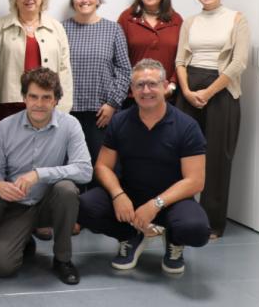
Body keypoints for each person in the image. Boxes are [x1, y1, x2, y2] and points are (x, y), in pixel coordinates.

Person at [78, 59, 210, 274]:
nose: (146, 90)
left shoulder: (187, 126)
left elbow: (195, 181)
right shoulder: (119, 121)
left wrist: (156, 204)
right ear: (132, 89)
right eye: (139, 85)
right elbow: (102, 166)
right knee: (83, 206)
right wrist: (118, 195)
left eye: (152, 84)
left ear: (165, 86)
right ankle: (130, 236)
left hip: (172, 201)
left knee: (195, 230)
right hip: (130, 199)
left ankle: (175, 240)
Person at [0, 67, 91, 284]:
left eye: (46, 97)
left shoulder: (70, 125)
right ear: (24, 97)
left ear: (56, 100)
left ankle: (62, 259)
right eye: (33, 96)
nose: (39, 103)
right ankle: (24, 239)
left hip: (50, 202)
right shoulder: (5, 127)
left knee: (67, 189)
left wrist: (39, 174)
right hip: (17, 205)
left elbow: (85, 171)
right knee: (2, 267)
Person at [175, 0, 249, 239]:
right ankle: (179, 216)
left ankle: (212, 223)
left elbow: (238, 63)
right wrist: (186, 91)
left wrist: (208, 92)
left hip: (222, 90)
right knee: (181, 155)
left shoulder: (237, 19)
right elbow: (180, 60)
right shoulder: (190, 21)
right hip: (189, 89)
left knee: (217, 158)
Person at [61, 0, 131, 175]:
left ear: (98, 0)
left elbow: (125, 70)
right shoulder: (61, 29)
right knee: (72, 168)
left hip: (102, 112)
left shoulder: (113, 30)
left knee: (102, 168)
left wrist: (113, 103)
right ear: (73, 2)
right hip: (69, 111)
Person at [0, 0, 73, 120]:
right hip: (11, 104)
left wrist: (63, 109)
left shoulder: (56, 28)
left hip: (48, 102)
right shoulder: (0, 27)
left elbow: (65, 70)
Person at [117, 0, 183, 107]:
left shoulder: (176, 20)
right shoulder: (126, 18)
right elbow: (118, 59)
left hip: (168, 97)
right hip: (133, 97)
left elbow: (182, 58)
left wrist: (172, 86)